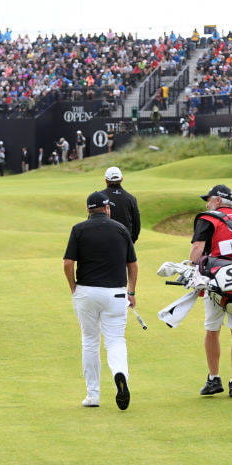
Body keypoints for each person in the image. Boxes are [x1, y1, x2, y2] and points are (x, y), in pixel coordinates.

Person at [63, 191, 138, 410]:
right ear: (107, 208)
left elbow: (68, 263)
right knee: (115, 340)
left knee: (90, 341)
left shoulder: (78, 229)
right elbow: (132, 264)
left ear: (88, 209)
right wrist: (131, 292)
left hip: (86, 292)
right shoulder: (121, 229)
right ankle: (120, 373)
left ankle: (93, 395)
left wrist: (73, 287)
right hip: (115, 293)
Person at [189, 184, 232, 397]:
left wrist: (192, 268)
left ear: (217, 200)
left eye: (208, 199)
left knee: (212, 328)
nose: (207, 203)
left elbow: (196, 250)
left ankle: (214, 378)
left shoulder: (208, 217)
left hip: (216, 278)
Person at [100, 166, 141, 244]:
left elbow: (92, 220)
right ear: (121, 179)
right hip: (125, 242)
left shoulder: (99, 197)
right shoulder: (131, 198)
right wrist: (131, 242)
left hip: (103, 242)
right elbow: (136, 225)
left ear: (106, 180)